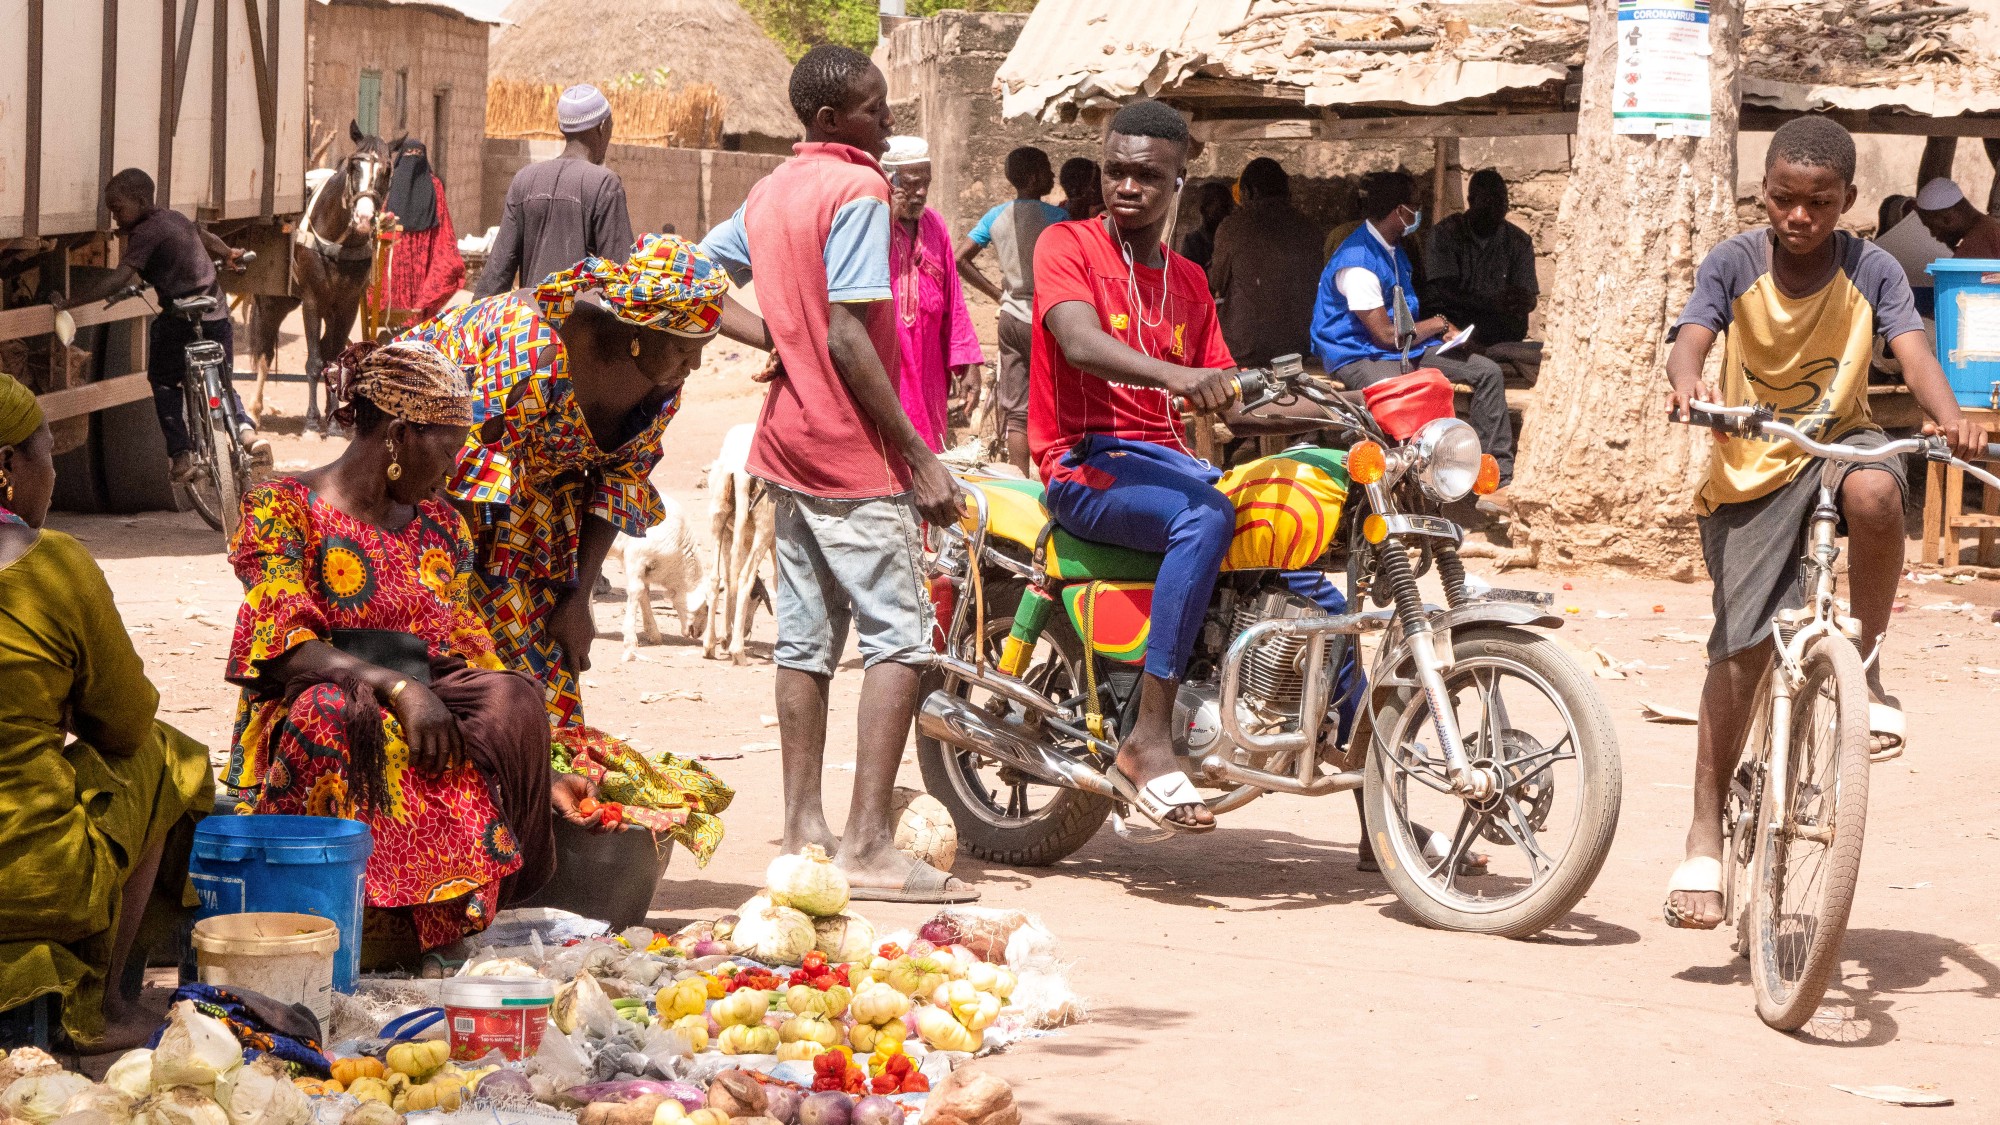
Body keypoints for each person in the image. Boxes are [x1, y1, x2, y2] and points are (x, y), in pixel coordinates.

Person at [1661, 118, 1987, 929]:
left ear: (1847, 202)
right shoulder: (1734, 261)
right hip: (1752, 463)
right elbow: (1690, 338)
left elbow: (1912, 350)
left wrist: (1951, 418)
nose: (1800, 216)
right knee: (1737, 658)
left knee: (1880, 491)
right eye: (1784, 200)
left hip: (1836, 443)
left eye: (1819, 203)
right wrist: (1690, 382)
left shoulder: (1871, 267)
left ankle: (1869, 665)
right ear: (1764, 193)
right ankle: (1703, 834)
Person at [701, 45, 975, 903]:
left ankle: (804, 828)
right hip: (852, 449)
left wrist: (774, 339)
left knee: (805, 642)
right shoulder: (858, 192)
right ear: (829, 120)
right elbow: (851, 334)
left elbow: (693, 277)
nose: (886, 119)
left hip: (786, 444)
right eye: (873, 106)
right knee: (900, 638)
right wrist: (920, 458)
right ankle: (865, 843)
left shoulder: (771, 189)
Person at [1030, 100, 1346, 833]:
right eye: (1116, 170)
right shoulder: (1066, 245)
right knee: (1208, 513)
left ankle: (1373, 781)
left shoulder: (1191, 282)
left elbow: (1229, 402)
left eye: (1147, 174)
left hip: (1170, 465)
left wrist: (1331, 416)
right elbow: (1077, 341)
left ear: (1180, 181)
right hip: (1085, 461)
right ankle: (1147, 737)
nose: (1127, 187)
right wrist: (1175, 379)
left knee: (1314, 578)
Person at [224, 341, 576, 952]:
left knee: (513, 697)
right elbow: (284, 647)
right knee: (332, 715)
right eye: (448, 446)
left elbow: (465, 647)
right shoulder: (281, 509)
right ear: (398, 435)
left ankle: (441, 912)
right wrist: (398, 688)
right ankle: (347, 914)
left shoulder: (442, 526)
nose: (456, 467)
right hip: (321, 695)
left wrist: (542, 764)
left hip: (426, 698)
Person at [406, 235, 735, 862]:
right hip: (448, 503)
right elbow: (451, 481)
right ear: (640, 331)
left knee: (548, 685)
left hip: (544, 524)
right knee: (467, 677)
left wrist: (578, 597)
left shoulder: (659, 383)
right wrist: (450, 612)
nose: (693, 366)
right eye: (686, 349)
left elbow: (619, 479)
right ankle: (460, 842)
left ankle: (526, 837)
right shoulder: (529, 350)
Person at [0, 373, 213, 1050]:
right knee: (164, 753)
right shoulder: (54, 566)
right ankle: (110, 1002)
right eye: (47, 458)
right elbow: (124, 722)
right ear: (6, 465)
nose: (54, 480)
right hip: (30, 877)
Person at [1310, 170, 1516, 495]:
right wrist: (1438, 324)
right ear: (1399, 211)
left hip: (1404, 349)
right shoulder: (1358, 261)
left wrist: (1442, 332)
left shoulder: (1394, 250)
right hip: (1358, 353)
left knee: (1486, 371)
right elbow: (1383, 334)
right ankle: (1406, 483)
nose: (1418, 214)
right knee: (1411, 393)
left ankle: (1497, 480)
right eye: (1415, 207)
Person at [54, 169, 268, 480]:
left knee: (164, 380)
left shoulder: (144, 233)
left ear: (140, 202)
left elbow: (118, 279)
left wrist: (71, 303)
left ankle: (180, 454)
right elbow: (203, 235)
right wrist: (228, 252)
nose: (115, 218)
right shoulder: (176, 218)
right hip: (216, 313)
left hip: (180, 320)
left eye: (117, 209)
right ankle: (246, 433)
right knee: (223, 381)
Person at [958, 146, 1065, 474]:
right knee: (1056, 401)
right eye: (1048, 170)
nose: (1053, 176)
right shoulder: (1060, 219)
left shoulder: (996, 215)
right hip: (1046, 319)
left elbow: (960, 257)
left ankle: (1018, 477)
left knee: (1017, 409)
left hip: (1009, 317)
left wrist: (995, 293)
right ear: (1034, 177)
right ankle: (1056, 476)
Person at [474, 85, 636, 298]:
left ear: (563, 128)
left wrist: (473, 324)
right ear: (603, 126)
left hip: (532, 326)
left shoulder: (524, 180)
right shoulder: (605, 184)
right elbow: (620, 278)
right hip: (581, 328)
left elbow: (497, 274)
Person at [882, 137, 985, 451]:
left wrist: (967, 362)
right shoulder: (870, 222)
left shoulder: (935, 224)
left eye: (926, 183)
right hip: (888, 359)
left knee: (930, 451)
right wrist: (887, 218)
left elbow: (953, 298)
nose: (922, 192)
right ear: (890, 182)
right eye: (912, 185)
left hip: (929, 361)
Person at [1208, 157, 1327, 367]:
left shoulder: (1233, 227)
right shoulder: (1311, 228)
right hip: (1302, 344)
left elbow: (1216, 283)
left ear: (1250, 191)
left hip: (1247, 348)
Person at [1423, 168, 1539, 347]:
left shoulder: (1518, 242)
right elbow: (1445, 292)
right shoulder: (1446, 234)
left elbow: (1527, 294)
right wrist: (1491, 303)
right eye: (1487, 201)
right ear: (1470, 201)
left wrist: (1525, 301)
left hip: (1500, 332)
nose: (1494, 209)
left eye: (1501, 202)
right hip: (1455, 330)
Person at [383, 139, 465, 325]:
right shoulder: (390, 183)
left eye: (417, 154)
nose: (413, 159)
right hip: (396, 249)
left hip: (425, 248)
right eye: (408, 153)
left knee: (422, 299)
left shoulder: (435, 185)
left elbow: (442, 219)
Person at [1913, 177, 2000, 259]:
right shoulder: (1989, 226)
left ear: (1949, 218)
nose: (1933, 234)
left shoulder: (1976, 244)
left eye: (1932, 227)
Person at [1178, 182, 1233, 272]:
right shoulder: (1193, 242)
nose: (1229, 214)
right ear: (1204, 210)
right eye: (1223, 208)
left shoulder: (1231, 239)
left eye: (1230, 208)